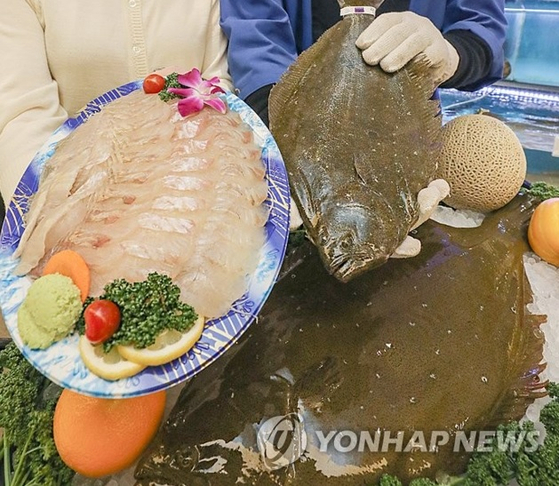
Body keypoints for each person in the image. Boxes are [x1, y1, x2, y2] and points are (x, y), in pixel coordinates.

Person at [0, 0, 232, 215]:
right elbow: (23, 114)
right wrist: (53, 212)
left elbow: (218, 87)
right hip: (76, 195)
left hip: (192, 186)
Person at [220, 0, 507, 125]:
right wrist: (282, 139)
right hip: (296, 122)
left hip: (408, 134)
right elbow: (256, 34)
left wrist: (450, 54)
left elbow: (482, 28)